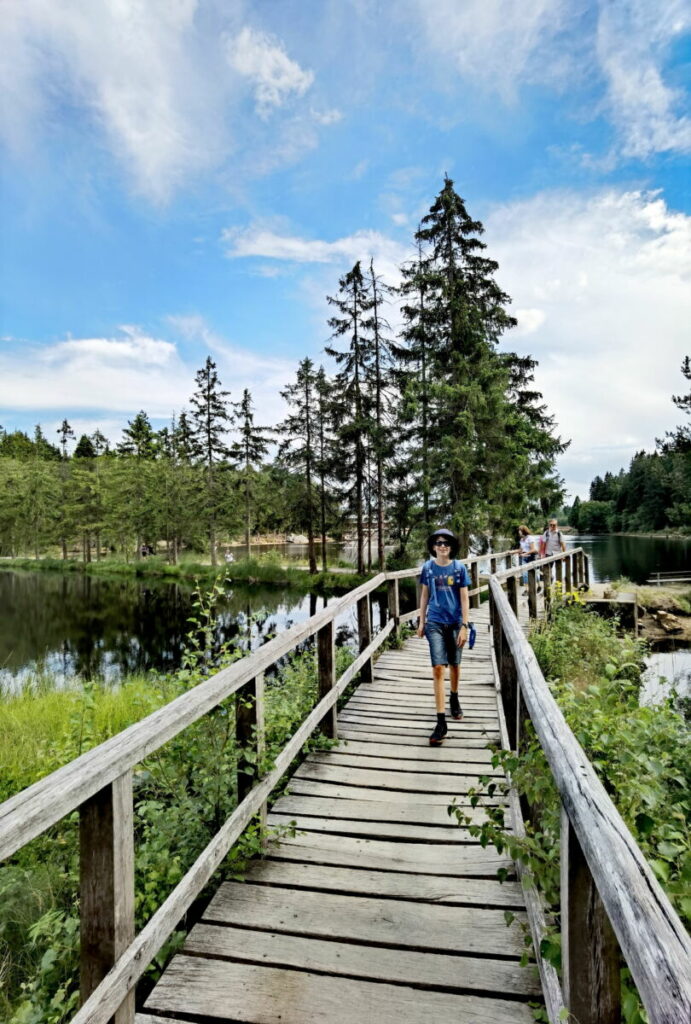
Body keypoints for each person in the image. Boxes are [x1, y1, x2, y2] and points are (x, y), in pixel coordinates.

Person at [416, 528, 471, 746]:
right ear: (433, 547)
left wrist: (465, 625)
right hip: (435, 622)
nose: (442, 546)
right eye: (438, 543)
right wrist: (422, 621)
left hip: (456, 622)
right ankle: (441, 722)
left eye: (446, 543)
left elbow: (465, 598)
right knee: (438, 667)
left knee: (454, 664)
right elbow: (424, 595)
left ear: (451, 547)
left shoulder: (459, 569)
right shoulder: (428, 568)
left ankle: (454, 697)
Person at [512, 524, 537, 593]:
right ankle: (527, 590)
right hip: (524, 558)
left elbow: (533, 549)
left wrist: (525, 554)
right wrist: (512, 552)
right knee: (525, 574)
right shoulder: (522, 539)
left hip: (531, 557)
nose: (519, 532)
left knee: (534, 573)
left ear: (523, 531)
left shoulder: (530, 538)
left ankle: (538, 586)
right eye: (519, 531)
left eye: (520, 530)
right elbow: (520, 550)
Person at [541, 517, 566, 583]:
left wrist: (564, 555)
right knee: (547, 569)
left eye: (554, 525)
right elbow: (543, 544)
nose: (552, 526)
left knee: (558, 569)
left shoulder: (559, 533)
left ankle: (558, 585)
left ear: (556, 525)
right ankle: (551, 578)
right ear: (549, 525)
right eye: (551, 525)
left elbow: (563, 544)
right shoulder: (546, 533)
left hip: (558, 554)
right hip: (548, 553)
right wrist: (542, 554)